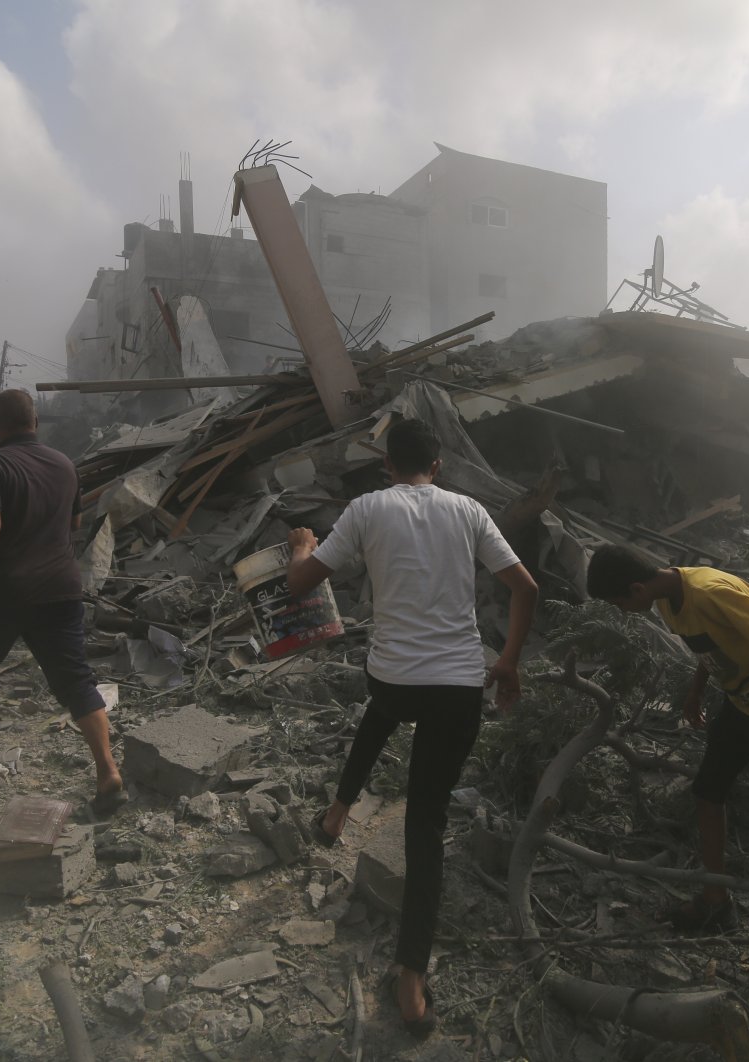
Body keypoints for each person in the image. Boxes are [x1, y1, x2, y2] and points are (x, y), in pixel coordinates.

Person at [285, 418, 538, 1036]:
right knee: (424, 826)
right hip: (457, 687)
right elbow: (526, 587)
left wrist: (300, 544)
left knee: (386, 704)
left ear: (388, 465)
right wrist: (507, 663)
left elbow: (299, 585)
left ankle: (337, 812)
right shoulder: (469, 510)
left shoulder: (367, 508)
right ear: (439, 466)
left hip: (394, 678)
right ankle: (412, 980)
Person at [586, 545, 749, 991]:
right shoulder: (668, 599)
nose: (626, 612)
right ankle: (716, 899)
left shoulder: (709, 591)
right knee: (707, 792)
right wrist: (695, 692)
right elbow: (709, 648)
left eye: (621, 603)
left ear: (637, 587)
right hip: (742, 705)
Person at [0, 390, 124, 813]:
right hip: (60, 587)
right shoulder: (64, 465)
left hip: (4, 590)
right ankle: (108, 770)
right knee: (76, 680)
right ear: (35, 421)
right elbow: (73, 522)